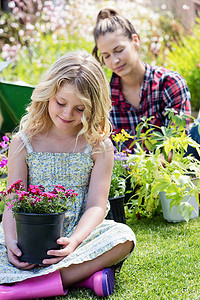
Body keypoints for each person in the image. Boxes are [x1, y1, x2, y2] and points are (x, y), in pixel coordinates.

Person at [0, 51, 136, 299]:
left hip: (77, 236)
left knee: (123, 238)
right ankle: (86, 278)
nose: (67, 114)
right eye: (60, 103)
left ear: (93, 108)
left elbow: (97, 205)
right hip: (28, 236)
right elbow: (12, 202)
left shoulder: (98, 146)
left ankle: (28, 288)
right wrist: (11, 242)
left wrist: (74, 242)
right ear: (48, 94)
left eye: (80, 108)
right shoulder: (24, 141)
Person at [92, 8, 193, 151]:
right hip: (124, 173)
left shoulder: (170, 84)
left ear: (135, 41)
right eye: (106, 56)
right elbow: (105, 154)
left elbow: (176, 144)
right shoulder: (104, 99)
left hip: (169, 171)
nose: (114, 60)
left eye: (119, 50)